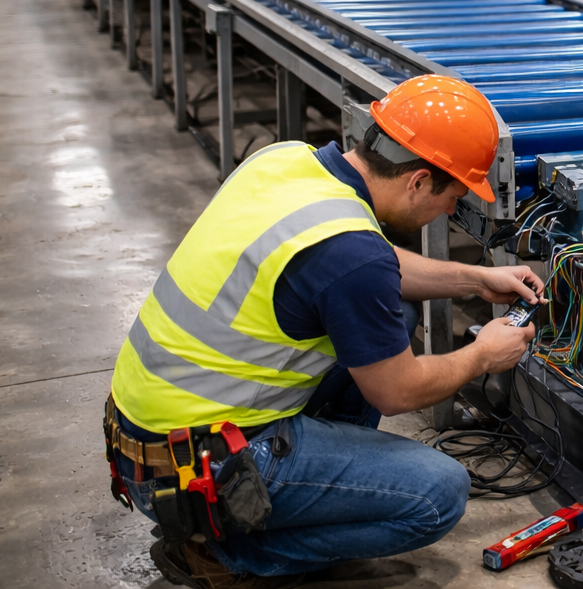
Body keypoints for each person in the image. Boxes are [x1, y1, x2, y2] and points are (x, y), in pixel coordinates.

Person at [105, 74, 542, 589]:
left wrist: (474, 277)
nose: (451, 211)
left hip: (146, 442)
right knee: (438, 495)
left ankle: (308, 490)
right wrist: (483, 355)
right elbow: (397, 390)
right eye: (453, 196)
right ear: (418, 181)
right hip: (202, 471)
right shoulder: (351, 253)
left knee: (393, 315)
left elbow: (368, 268)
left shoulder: (287, 160)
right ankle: (226, 552)